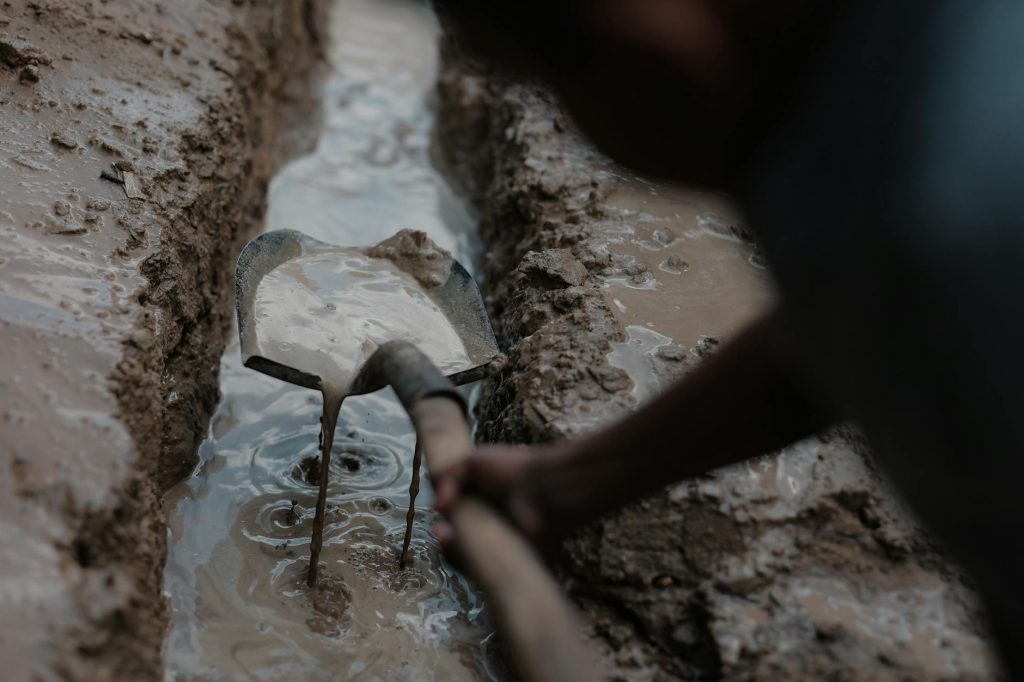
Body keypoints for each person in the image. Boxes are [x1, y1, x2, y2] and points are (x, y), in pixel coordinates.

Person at [431, 0, 1024, 675]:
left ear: (641, 52)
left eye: (543, 82)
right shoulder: (905, 66)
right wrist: (562, 485)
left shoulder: (958, 244)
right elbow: (825, 332)